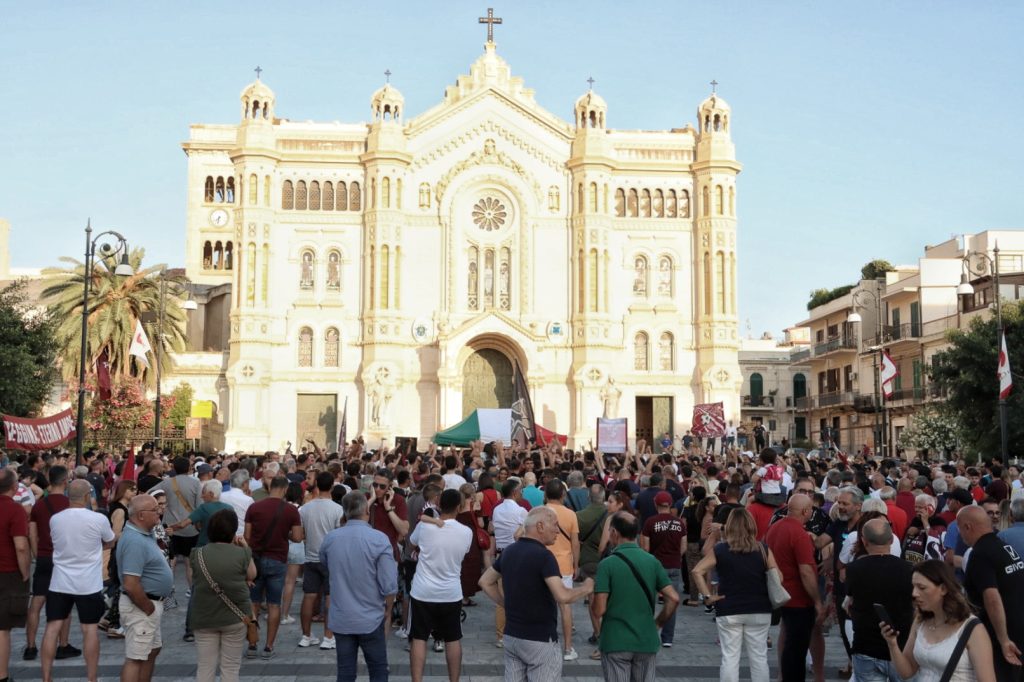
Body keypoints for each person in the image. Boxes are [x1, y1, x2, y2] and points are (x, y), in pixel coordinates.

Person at [478, 507, 594, 682]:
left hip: (512, 637)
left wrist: (506, 603)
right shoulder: (544, 556)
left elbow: (485, 581)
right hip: (539, 640)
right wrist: (586, 588)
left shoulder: (509, 551)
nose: (557, 530)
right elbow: (562, 595)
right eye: (554, 525)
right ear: (540, 526)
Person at [40, 479, 115, 682]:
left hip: (60, 581)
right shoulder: (98, 519)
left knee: (52, 627)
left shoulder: (56, 519)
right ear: (86, 496)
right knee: (89, 630)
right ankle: (92, 678)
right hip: (88, 583)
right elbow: (110, 540)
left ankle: (46, 677)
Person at [320, 491, 398, 682]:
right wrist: (388, 608)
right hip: (371, 616)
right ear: (366, 510)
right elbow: (389, 584)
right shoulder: (379, 539)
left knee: (345, 672)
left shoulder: (331, 539)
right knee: (378, 669)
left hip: (342, 616)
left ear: (345, 512)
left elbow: (325, 563)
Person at [595, 512, 679, 682]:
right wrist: (658, 623)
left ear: (614, 533)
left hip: (616, 639)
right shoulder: (652, 561)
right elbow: (674, 598)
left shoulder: (607, 564)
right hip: (645, 639)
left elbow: (599, 610)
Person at [692, 508, 773, 682]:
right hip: (759, 608)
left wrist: (707, 596)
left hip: (729, 608)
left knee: (730, 657)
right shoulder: (763, 549)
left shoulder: (721, 550)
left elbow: (697, 570)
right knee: (759, 658)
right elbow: (777, 577)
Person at [881, 560, 996, 682]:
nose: (914, 593)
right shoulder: (920, 621)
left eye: (922, 587)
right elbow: (907, 672)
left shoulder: (972, 629)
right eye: (913, 587)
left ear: (943, 589)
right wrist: (892, 644)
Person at [407, 489, 472, 682]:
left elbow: (411, 542)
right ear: (459, 507)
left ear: (439, 504)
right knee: (453, 638)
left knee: (418, 637)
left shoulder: (425, 526)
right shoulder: (466, 532)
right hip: (450, 592)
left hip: (422, 591)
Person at [190, 509, 257, 682]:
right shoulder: (241, 554)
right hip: (235, 616)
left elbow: (194, 580)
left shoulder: (196, 554)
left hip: (203, 616)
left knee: (205, 666)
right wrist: (245, 547)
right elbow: (252, 574)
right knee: (230, 667)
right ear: (233, 532)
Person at [958, 504, 1024, 679]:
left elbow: (992, 597)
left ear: (967, 527)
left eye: (960, 528)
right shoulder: (1003, 546)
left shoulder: (980, 554)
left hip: (1002, 635)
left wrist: (1003, 639)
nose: (960, 534)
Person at [844, 518, 914, 681]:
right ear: (891, 540)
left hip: (866, 646)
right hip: (901, 647)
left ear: (864, 541)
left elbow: (850, 599)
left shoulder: (854, 569)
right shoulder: (907, 569)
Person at [765, 494, 825, 682]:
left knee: (789, 641)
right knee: (797, 649)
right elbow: (806, 571)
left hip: (780, 594)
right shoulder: (799, 534)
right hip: (798, 598)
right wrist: (817, 601)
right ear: (806, 511)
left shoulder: (774, 528)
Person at [243, 475, 303, 659]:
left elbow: (246, 536)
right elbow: (298, 538)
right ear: (285, 489)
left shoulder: (254, 507)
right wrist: (285, 534)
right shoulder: (291, 511)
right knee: (274, 604)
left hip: (256, 561)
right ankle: (269, 646)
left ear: (270, 488)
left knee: (253, 602)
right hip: (277, 560)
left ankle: (252, 644)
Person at [117, 493, 174, 682]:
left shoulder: (144, 533)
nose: (160, 512)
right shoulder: (135, 540)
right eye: (155, 509)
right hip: (142, 605)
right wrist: (148, 608)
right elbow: (131, 584)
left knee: (152, 650)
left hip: (149, 604)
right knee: (136, 657)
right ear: (141, 515)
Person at [25, 465, 75, 661]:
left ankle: (30, 647)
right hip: (64, 559)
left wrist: (38, 555)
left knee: (36, 603)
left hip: (45, 557)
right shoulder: (70, 504)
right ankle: (62, 644)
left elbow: (32, 532)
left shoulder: (39, 505)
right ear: (65, 481)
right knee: (65, 603)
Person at [297, 471, 343, 650]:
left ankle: (306, 635)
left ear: (316, 484)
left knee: (309, 596)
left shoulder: (305, 508)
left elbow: (300, 534)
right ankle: (328, 636)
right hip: (330, 558)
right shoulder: (337, 509)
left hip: (310, 557)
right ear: (331, 486)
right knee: (330, 597)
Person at [639, 491, 686, 648]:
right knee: (671, 602)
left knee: (648, 601)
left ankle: (648, 633)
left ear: (655, 504)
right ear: (670, 504)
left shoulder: (650, 522)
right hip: (673, 565)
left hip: (654, 567)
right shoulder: (679, 523)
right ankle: (667, 638)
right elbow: (683, 547)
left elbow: (645, 548)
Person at [542, 479, 581, 661]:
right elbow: (575, 543)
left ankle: (543, 644)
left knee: (540, 604)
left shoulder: (539, 512)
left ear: (545, 494)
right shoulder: (570, 514)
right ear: (563, 495)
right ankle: (567, 648)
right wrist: (576, 565)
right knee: (565, 607)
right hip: (564, 564)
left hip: (541, 563)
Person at [489, 479, 528, 647]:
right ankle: (518, 630)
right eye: (520, 491)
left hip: (501, 554)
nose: (522, 494)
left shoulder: (497, 509)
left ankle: (500, 635)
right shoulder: (521, 511)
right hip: (518, 554)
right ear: (514, 492)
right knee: (520, 595)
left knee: (502, 596)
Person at [0, 469, 30, 682]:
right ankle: (2, 675)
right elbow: (21, 546)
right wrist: (26, 571)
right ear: (14, 488)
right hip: (8, 572)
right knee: (2, 628)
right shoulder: (15, 510)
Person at [454, 483, 484, 607]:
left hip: (457, 537)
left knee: (459, 566)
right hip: (471, 539)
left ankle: (457, 594)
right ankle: (465, 597)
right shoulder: (475, 506)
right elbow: (481, 524)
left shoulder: (457, 506)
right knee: (470, 567)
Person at [218, 470, 253, 537]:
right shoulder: (248, 500)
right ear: (244, 483)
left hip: (224, 534)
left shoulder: (221, 495)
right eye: (248, 481)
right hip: (241, 535)